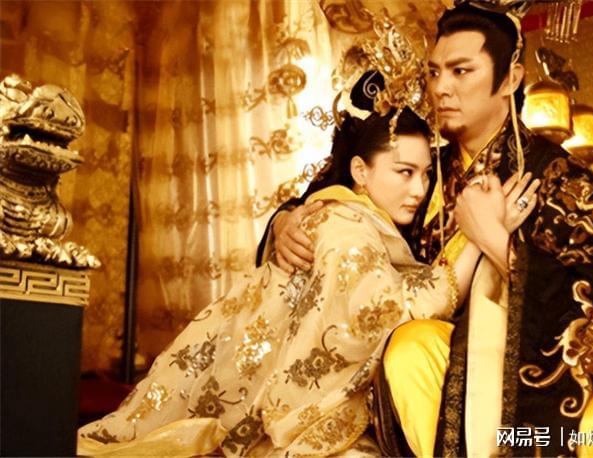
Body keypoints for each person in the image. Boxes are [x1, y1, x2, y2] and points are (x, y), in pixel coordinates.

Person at [266, 3, 593, 457]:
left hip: (551, 377)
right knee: (410, 346)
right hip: (439, 376)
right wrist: (286, 221)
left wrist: (498, 246)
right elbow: (336, 187)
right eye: (435, 72)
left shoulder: (553, 178)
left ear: (509, 79)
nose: (441, 87)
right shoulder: (420, 169)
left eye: (461, 71)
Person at [77, 93, 536, 456]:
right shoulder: (344, 223)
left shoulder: (358, 214)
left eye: (424, 174)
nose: (419, 189)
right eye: (404, 172)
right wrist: (478, 239)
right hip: (288, 408)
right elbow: (377, 313)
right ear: (360, 170)